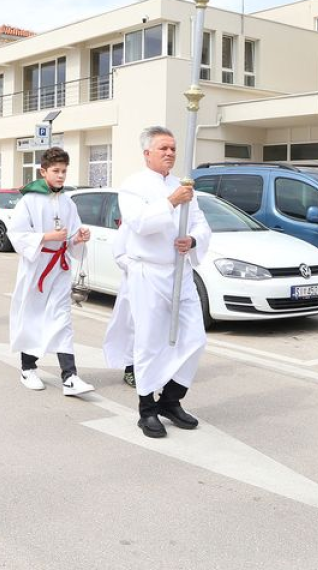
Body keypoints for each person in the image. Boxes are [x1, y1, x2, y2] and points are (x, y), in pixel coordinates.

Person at [104, 126, 211, 439]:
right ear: (147, 153)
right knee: (150, 341)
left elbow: (201, 224)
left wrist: (191, 240)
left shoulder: (183, 185)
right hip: (147, 273)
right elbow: (139, 224)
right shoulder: (133, 186)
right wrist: (170, 202)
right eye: (163, 148)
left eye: (173, 149)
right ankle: (147, 409)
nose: (170, 154)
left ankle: (170, 400)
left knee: (195, 338)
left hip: (179, 271)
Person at [7, 147, 94, 395]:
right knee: (32, 315)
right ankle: (28, 368)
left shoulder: (68, 202)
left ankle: (70, 376)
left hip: (59, 267)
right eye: (56, 171)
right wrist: (47, 237)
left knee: (62, 318)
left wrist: (79, 237)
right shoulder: (29, 201)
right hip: (36, 267)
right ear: (43, 171)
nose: (61, 176)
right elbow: (17, 234)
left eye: (64, 171)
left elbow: (72, 235)